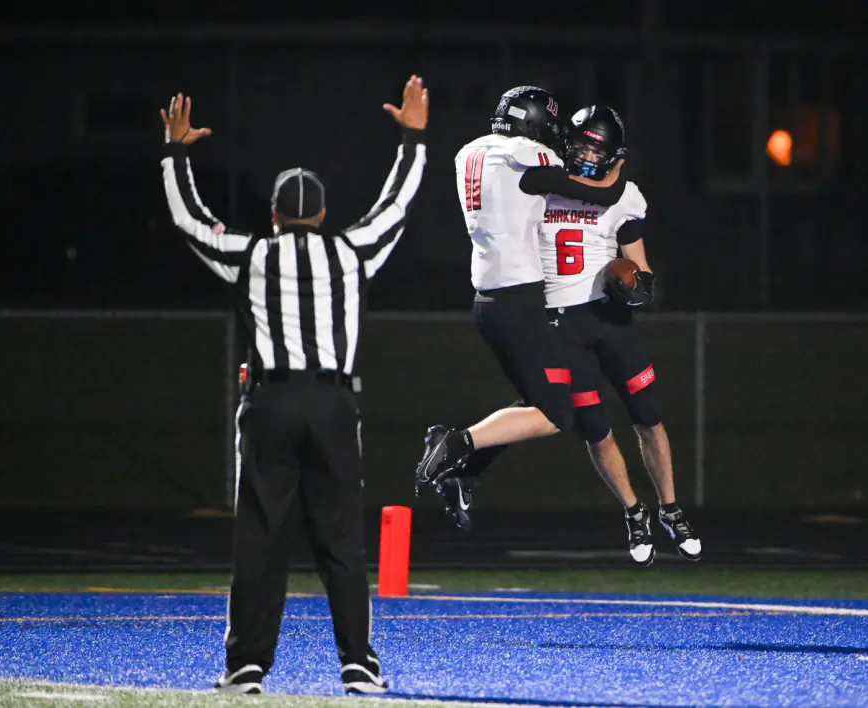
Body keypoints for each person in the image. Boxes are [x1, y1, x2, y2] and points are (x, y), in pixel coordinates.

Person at [159, 76, 428, 695]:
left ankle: (247, 666)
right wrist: (413, 138)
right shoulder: (352, 252)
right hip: (334, 401)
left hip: (271, 402)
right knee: (340, 537)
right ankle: (358, 665)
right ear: (324, 214)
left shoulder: (252, 253)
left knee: (260, 535)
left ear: (275, 214)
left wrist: (175, 154)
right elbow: (397, 206)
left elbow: (189, 220)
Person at [423, 106, 702, 567]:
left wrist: (635, 286)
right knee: (592, 426)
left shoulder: (623, 196)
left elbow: (643, 270)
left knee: (648, 416)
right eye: (584, 143)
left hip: (609, 320)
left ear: (613, 153)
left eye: (599, 147)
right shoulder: (541, 177)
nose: (589, 152)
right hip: (556, 322)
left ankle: (671, 509)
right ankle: (634, 513)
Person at [413, 86, 629, 523]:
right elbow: (602, 194)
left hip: (488, 298)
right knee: (555, 414)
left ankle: (465, 471)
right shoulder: (526, 156)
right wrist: (620, 165)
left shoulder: (469, 153)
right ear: (532, 125)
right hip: (520, 300)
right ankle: (454, 444)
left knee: (538, 400)